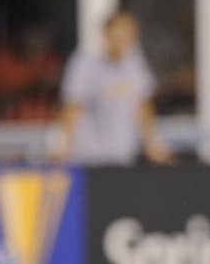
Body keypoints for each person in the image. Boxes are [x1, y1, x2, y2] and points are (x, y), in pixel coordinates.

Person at [54, 9, 173, 165]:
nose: (125, 42)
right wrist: (62, 145)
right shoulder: (84, 62)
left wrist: (152, 142)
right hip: (89, 158)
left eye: (130, 37)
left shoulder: (134, 61)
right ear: (107, 35)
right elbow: (72, 107)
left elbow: (143, 105)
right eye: (120, 36)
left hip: (124, 156)